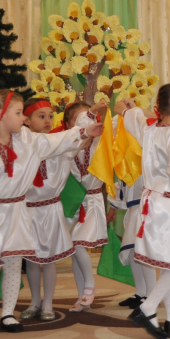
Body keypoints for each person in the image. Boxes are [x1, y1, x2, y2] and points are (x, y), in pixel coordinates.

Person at [0, 89, 101, 332]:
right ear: (0, 115)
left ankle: (8, 314)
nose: (23, 118)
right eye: (19, 113)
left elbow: (56, 141)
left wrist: (85, 131)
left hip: (19, 209)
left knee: (12, 262)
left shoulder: (28, 140)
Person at [122, 83, 170, 339]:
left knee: (169, 260)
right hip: (166, 205)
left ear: (159, 106)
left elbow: (134, 117)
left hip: (149, 203)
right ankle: (147, 308)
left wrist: (129, 109)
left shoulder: (149, 129)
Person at [20, 97, 79, 321]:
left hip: (51, 208)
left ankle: (47, 304)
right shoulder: (22, 144)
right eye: (41, 116)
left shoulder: (58, 142)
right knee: (32, 259)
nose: (47, 120)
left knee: (49, 259)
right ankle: (35, 301)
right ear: (26, 120)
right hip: (28, 209)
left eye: (50, 116)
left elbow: (78, 141)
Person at [110, 98, 156, 310]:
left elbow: (150, 120)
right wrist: (114, 204)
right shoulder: (130, 145)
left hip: (145, 205)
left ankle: (151, 296)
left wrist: (131, 111)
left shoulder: (149, 137)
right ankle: (141, 293)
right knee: (134, 251)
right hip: (133, 204)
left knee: (142, 251)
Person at [67, 100, 111, 312]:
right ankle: (81, 296)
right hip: (72, 203)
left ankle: (90, 285)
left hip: (92, 201)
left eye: (89, 118)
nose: (86, 123)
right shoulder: (67, 143)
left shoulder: (99, 142)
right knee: (76, 250)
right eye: (79, 119)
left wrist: (92, 112)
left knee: (77, 243)